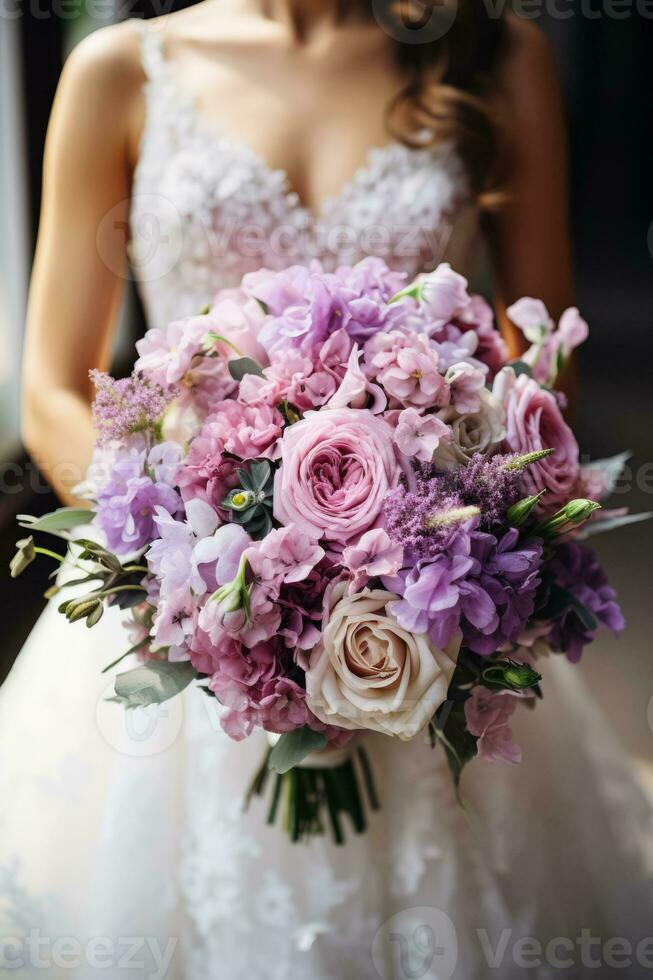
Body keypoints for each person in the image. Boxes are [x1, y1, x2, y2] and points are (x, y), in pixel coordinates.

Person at [2, 2, 652, 977]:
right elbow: (53, 384)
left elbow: (542, 367)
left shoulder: (490, 51)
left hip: (428, 602)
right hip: (189, 598)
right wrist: (197, 546)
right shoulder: (119, 70)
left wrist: (402, 538)